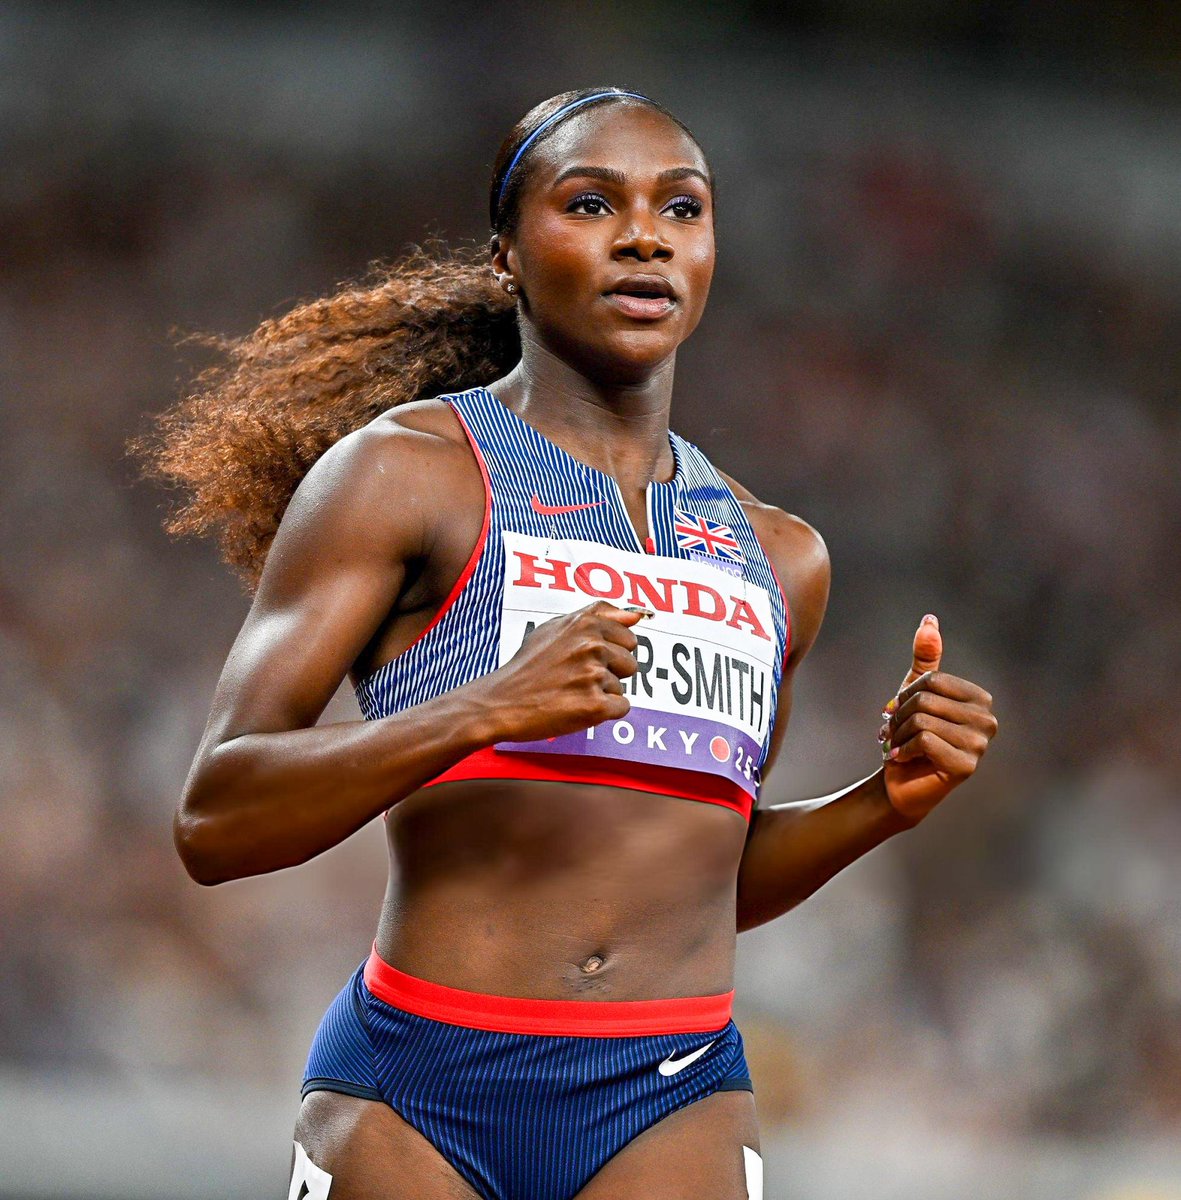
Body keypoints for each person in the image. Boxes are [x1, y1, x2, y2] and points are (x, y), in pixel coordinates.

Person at [140, 88, 997, 1200]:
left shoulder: (777, 556)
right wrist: (485, 709)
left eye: (680, 210)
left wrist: (881, 801)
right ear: (505, 256)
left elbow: (696, 875)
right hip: (416, 1085)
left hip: (669, 1086)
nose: (643, 235)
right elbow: (216, 817)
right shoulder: (407, 476)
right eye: (590, 203)